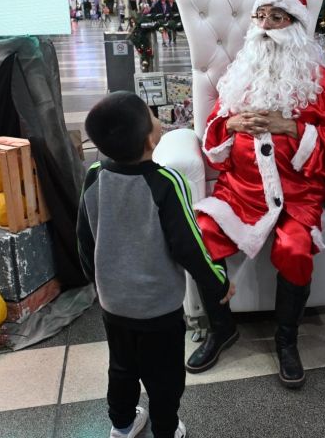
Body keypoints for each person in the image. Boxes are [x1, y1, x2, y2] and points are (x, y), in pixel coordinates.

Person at [185, 0, 325, 389]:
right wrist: (231, 125)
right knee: (201, 236)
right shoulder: (238, 74)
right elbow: (213, 138)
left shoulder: (322, 82)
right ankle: (221, 328)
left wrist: (290, 126)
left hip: (296, 194)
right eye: (259, 17)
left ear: (295, 26)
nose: (264, 26)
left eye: (276, 18)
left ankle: (286, 339)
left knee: (294, 248)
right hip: (240, 190)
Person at [77, 92, 235, 438]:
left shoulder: (92, 175)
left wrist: (98, 281)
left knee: (121, 368)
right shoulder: (166, 182)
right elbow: (189, 246)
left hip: (113, 304)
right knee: (164, 377)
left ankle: (122, 425)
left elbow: (84, 237)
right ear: (151, 138)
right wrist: (219, 283)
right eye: (152, 117)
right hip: (158, 309)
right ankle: (165, 430)